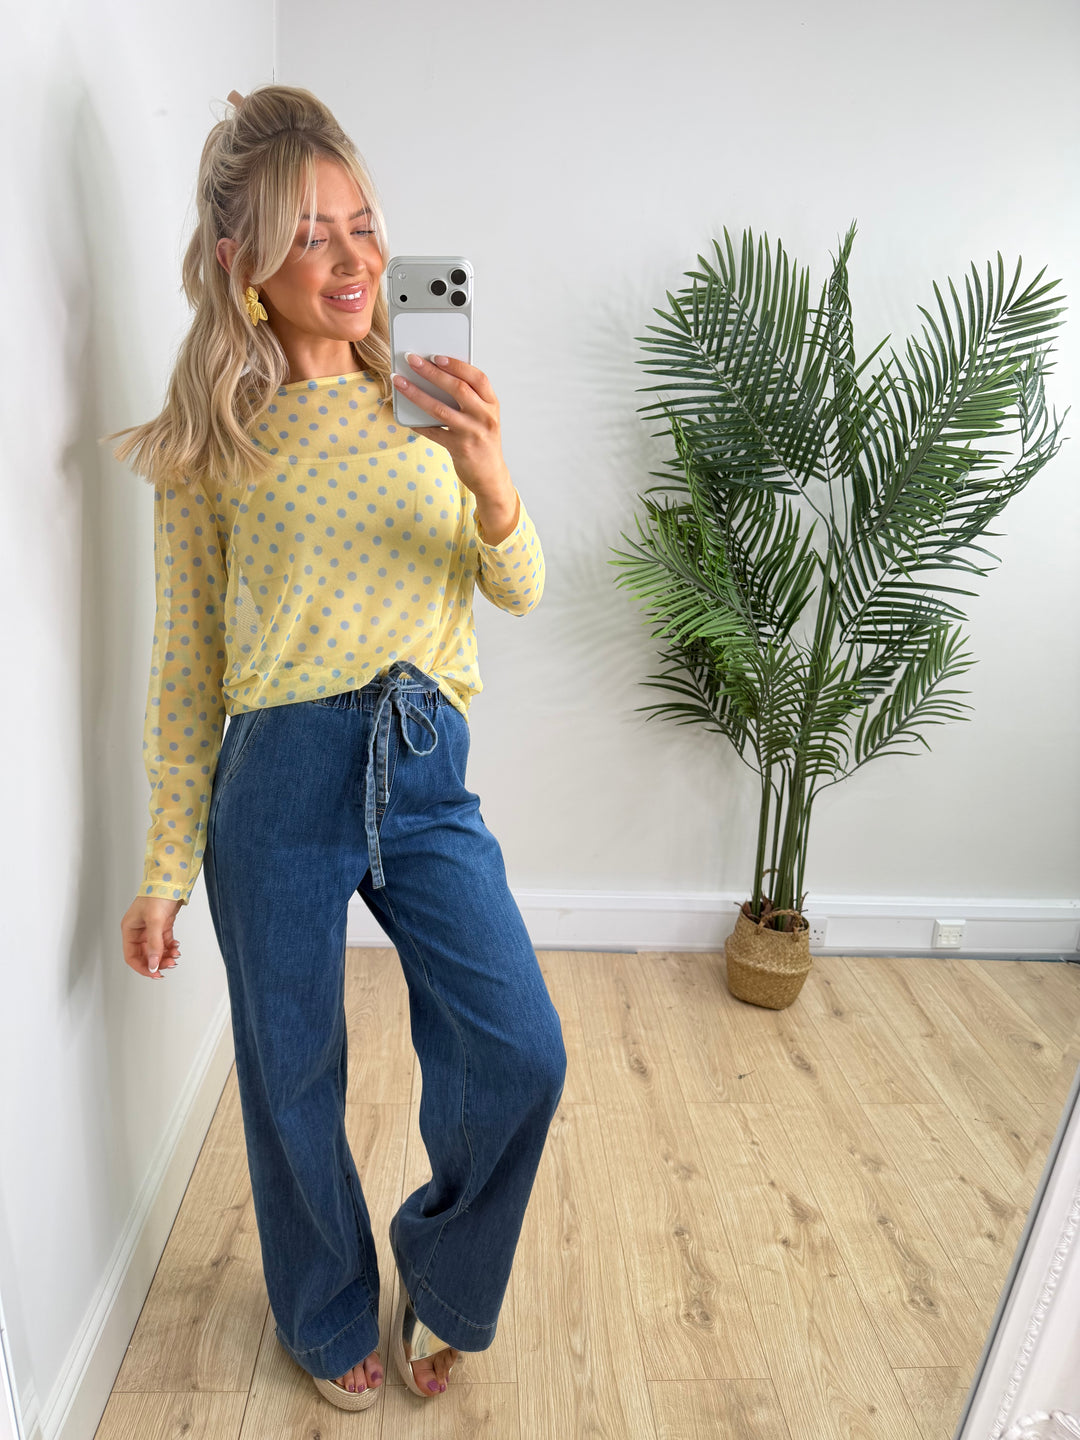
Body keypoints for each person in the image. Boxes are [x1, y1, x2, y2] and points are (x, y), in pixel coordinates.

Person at [110, 83, 566, 1414]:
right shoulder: (211, 448)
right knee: (291, 1074)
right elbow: (186, 665)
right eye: (312, 236)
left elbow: (520, 588)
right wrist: (164, 865)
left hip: (422, 768)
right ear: (242, 265)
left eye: (364, 225)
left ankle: (443, 1269)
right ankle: (322, 1307)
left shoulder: (426, 399)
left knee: (520, 1049)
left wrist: (492, 479)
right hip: (277, 784)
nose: (356, 259)